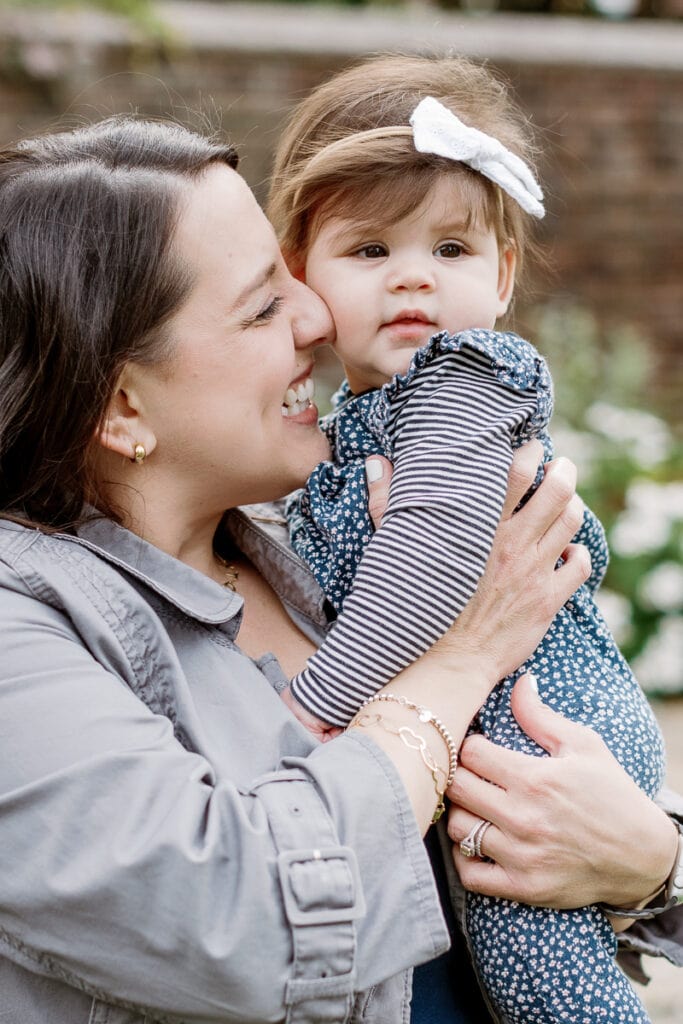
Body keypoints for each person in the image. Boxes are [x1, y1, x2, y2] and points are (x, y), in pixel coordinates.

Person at [0, 115, 679, 1024]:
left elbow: (558, 776)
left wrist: (650, 864)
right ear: (123, 404)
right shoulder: (29, 630)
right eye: (261, 304)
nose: (318, 315)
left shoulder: (320, 542)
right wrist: (462, 656)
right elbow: (241, 920)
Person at [266, 55, 676, 1022]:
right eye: (369, 251)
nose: (413, 275)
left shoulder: (457, 384)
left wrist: (317, 706)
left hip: (534, 732)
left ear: (500, 277)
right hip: (483, 722)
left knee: (535, 965)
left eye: (451, 251)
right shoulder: (355, 420)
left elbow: (433, 558)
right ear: (299, 277)